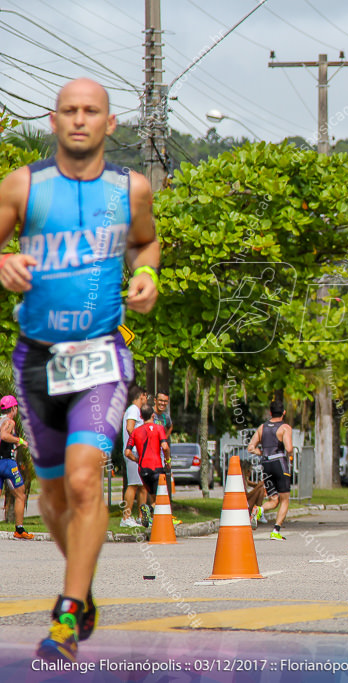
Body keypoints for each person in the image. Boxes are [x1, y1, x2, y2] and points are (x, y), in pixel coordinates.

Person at [0, 78, 159, 662]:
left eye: (92, 111)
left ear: (110, 123)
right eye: (69, 110)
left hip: (100, 354)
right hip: (38, 356)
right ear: (53, 119)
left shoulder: (131, 189)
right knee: (52, 495)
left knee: (86, 477)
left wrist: (148, 275)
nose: (80, 119)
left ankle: (66, 616)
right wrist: (4, 259)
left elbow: (145, 244)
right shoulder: (24, 185)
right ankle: (83, 588)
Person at [247, 400, 294, 540]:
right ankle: (275, 531)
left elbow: (250, 447)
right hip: (279, 463)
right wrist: (289, 456)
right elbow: (289, 448)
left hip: (266, 464)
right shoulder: (285, 427)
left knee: (274, 499)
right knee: (284, 500)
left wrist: (262, 453)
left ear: (270, 412)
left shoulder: (262, 427)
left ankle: (259, 509)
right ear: (284, 412)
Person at [125, 405, 171, 525]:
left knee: (152, 494)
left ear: (141, 416)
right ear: (153, 415)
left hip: (143, 470)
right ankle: (149, 510)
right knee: (160, 497)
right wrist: (168, 461)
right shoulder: (159, 428)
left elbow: (127, 452)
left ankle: (154, 519)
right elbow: (165, 447)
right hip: (157, 468)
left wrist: (136, 460)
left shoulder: (135, 431)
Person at [0, 396, 33, 539]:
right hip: (7, 463)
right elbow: (4, 436)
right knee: (21, 494)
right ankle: (19, 530)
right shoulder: (9, 422)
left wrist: (14, 443)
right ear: (13, 408)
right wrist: (19, 440)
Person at [119, 385, 148, 527]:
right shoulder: (133, 410)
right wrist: (139, 443)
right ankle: (126, 518)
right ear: (141, 395)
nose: (146, 399)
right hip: (133, 453)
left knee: (142, 486)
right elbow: (130, 428)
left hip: (138, 452)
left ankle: (142, 517)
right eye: (146, 395)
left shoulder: (136, 411)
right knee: (133, 485)